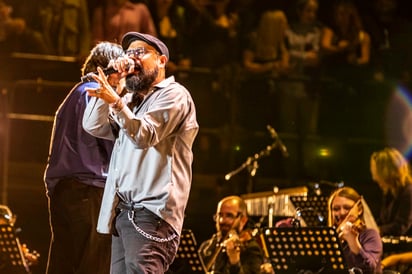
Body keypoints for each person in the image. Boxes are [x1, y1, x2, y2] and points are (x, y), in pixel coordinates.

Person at [82, 32, 199, 273]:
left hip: (152, 215)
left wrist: (116, 102)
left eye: (140, 52)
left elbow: (144, 135)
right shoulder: (131, 101)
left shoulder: (174, 94)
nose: (132, 58)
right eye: (129, 53)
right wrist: (114, 82)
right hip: (124, 212)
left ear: (162, 61)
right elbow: (93, 125)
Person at [44, 41, 125, 274]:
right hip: (90, 190)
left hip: (62, 191)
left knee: (63, 266)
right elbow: (112, 143)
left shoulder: (73, 96)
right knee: (93, 266)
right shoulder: (94, 96)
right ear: (110, 69)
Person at [198, 195, 268, 274]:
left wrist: (235, 262)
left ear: (243, 220)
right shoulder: (207, 246)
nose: (222, 221)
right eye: (220, 215)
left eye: (229, 216)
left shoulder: (251, 248)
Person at [327, 186, 383, 274]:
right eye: (336, 209)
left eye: (347, 208)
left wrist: (352, 241)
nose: (341, 213)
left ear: (359, 210)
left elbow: (369, 270)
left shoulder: (370, 235)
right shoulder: (330, 238)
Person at [370, 147, 412, 236]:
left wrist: (376, 230)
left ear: (387, 172)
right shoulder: (390, 192)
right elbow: (384, 221)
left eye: (377, 172)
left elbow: (401, 226)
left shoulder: (409, 192)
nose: (375, 178)